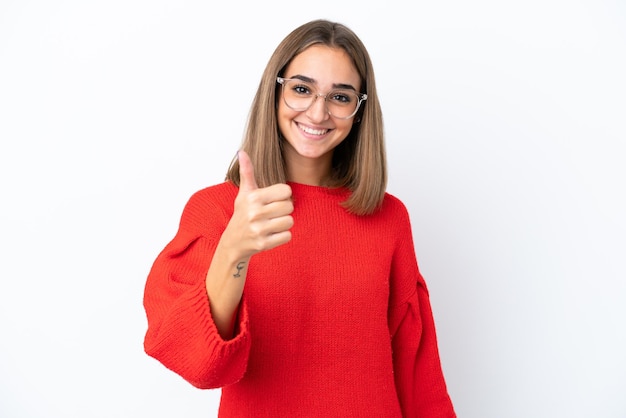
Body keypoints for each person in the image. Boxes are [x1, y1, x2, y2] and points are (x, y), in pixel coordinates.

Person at [143, 19, 456, 417]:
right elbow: (199, 364)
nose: (318, 111)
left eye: (340, 97)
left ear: (359, 111)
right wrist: (233, 250)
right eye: (302, 89)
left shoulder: (388, 218)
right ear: (274, 93)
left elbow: (417, 371)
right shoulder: (218, 210)